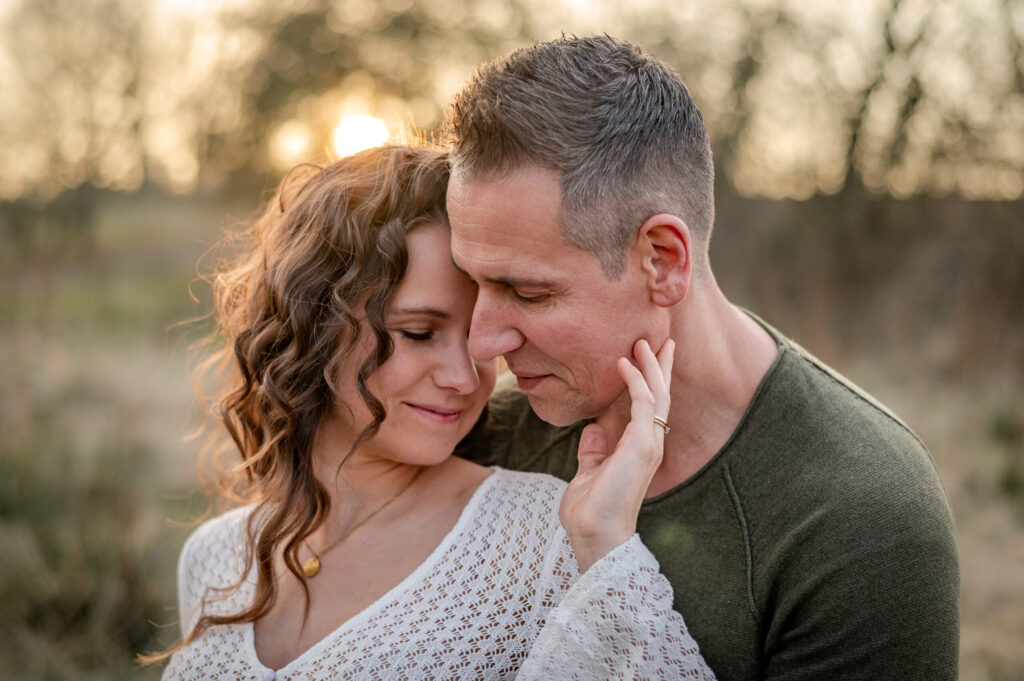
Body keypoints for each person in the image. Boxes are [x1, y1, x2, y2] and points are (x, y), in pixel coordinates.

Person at [446, 35, 960, 680]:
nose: (482, 342)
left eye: (528, 291)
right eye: (474, 284)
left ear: (662, 261)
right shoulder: (480, 443)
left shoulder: (860, 519)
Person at [158, 145, 716, 680]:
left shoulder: (546, 540)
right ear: (314, 326)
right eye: (419, 333)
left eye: (480, 341)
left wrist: (604, 546)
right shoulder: (213, 558)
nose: (464, 376)